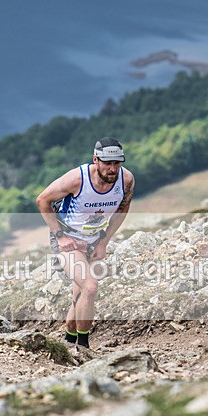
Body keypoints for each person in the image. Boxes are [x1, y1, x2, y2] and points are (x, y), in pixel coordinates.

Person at [36, 137, 135, 351]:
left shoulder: (126, 180)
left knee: (79, 295)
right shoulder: (76, 179)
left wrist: (104, 242)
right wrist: (60, 236)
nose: (112, 168)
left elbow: (122, 209)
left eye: (117, 163)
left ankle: (69, 342)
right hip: (68, 240)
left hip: (94, 240)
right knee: (90, 287)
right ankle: (83, 347)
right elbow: (42, 200)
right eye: (107, 163)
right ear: (95, 160)